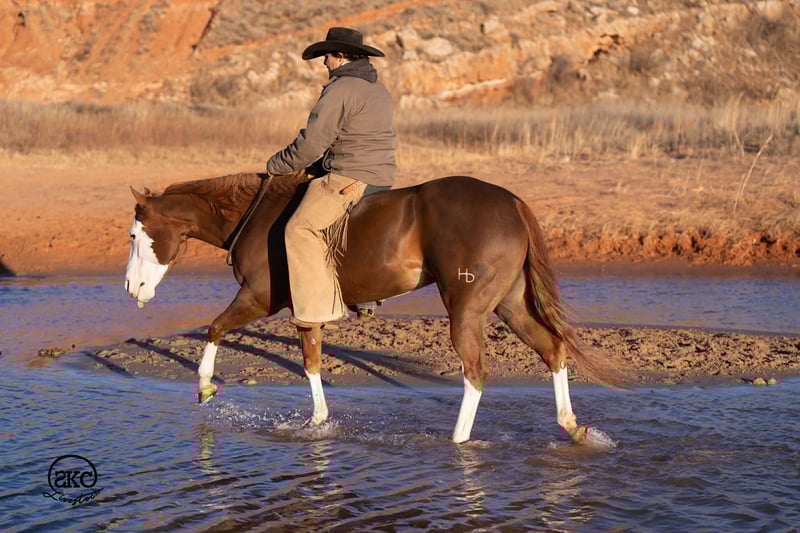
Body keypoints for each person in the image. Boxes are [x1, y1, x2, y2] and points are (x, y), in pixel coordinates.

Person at [265, 27, 397, 328]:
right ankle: (364, 292)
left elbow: (311, 143)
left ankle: (318, 310)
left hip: (351, 175)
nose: (324, 62)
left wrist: (276, 165)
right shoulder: (377, 86)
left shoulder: (341, 88)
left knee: (300, 229)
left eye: (327, 56)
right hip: (382, 174)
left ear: (339, 56)